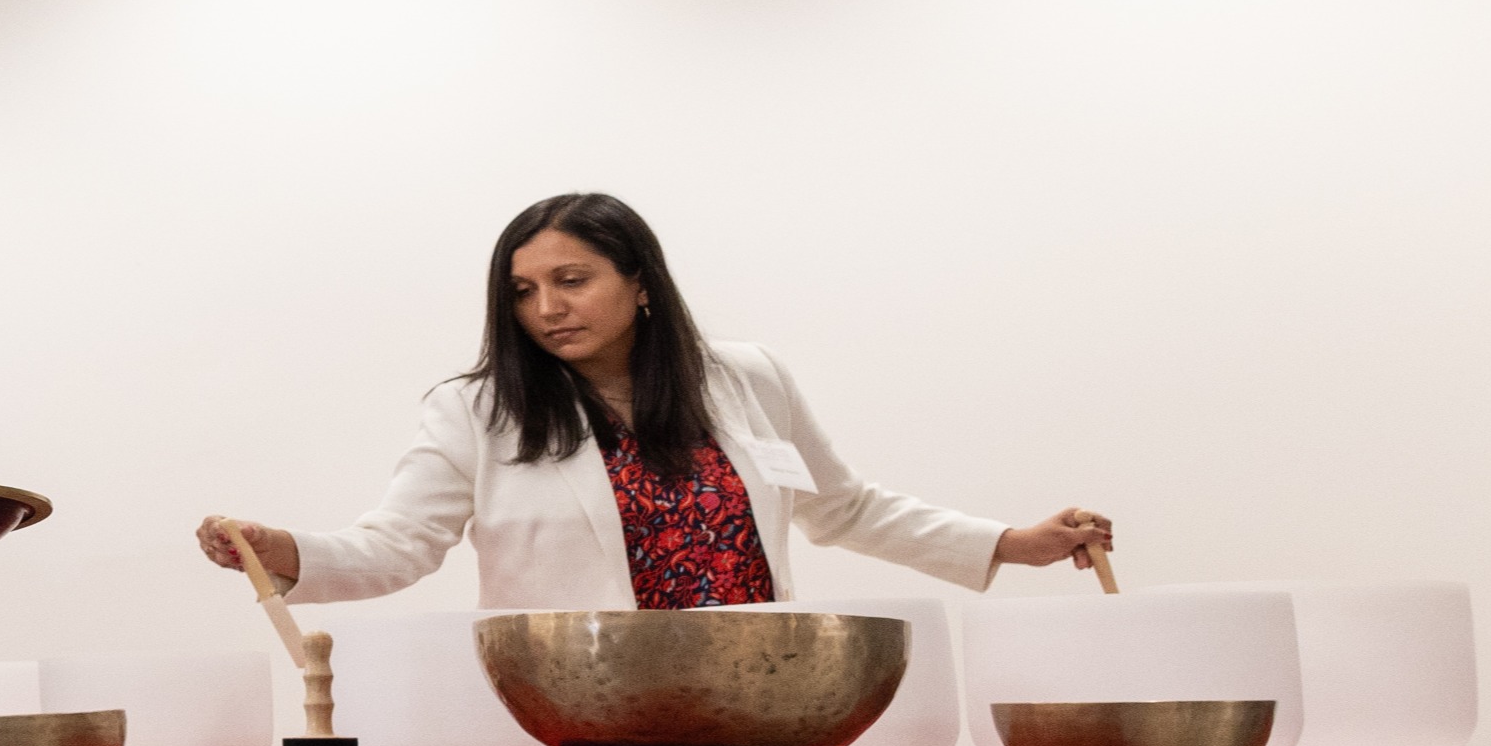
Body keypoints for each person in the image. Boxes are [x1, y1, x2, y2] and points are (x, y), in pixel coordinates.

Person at [200, 191, 1108, 611]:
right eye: (522, 291)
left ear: (639, 283)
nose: (546, 309)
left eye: (571, 280)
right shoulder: (476, 410)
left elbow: (845, 508)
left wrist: (1010, 543)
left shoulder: (746, 377)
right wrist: (287, 553)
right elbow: (398, 546)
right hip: (578, 712)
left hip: (758, 698)